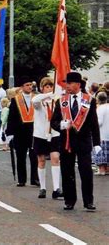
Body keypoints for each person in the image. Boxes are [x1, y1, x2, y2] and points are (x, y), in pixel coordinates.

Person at [50, 72, 101, 211]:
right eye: (66, 83)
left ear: (78, 84)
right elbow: (53, 122)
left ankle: (88, 201)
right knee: (67, 172)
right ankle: (69, 200)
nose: (67, 86)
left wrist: (97, 143)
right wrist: (61, 124)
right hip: (66, 141)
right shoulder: (61, 101)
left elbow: (93, 123)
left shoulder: (89, 100)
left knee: (86, 172)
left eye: (70, 83)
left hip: (84, 141)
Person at [31, 77, 63, 199]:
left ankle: (56, 188)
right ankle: (43, 188)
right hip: (40, 134)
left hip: (54, 133)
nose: (49, 89)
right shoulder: (40, 101)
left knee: (55, 158)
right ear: (42, 88)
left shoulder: (56, 102)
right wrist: (49, 94)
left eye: (51, 87)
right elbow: (35, 100)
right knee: (41, 160)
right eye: (47, 87)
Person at [6, 76, 39, 187]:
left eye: (31, 85)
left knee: (34, 156)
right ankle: (22, 179)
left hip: (34, 131)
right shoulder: (16, 100)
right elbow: (12, 117)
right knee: (20, 156)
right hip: (19, 132)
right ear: (22, 87)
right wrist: (9, 132)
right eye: (27, 85)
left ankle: (35, 178)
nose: (30, 87)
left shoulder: (36, 98)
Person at [93, 91, 108, 175]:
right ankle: (107, 169)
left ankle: (102, 170)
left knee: (101, 154)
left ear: (98, 99)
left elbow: (99, 122)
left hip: (102, 135)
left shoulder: (99, 108)